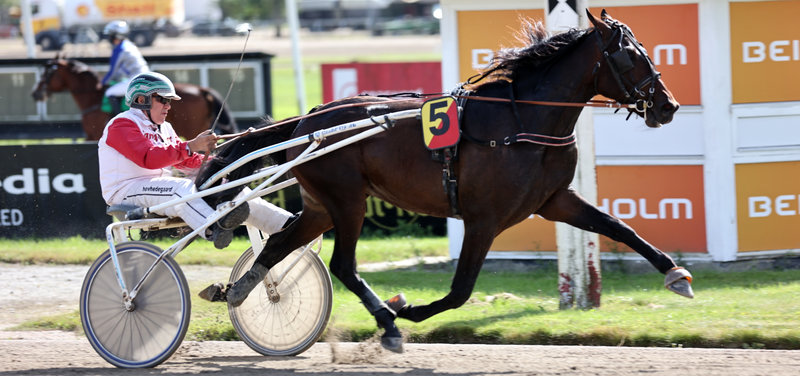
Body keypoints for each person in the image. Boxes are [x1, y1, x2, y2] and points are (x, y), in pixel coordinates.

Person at [98, 71, 292, 249]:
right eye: (163, 100)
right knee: (181, 189)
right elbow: (149, 159)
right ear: (141, 99)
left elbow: (182, 161)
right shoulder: (122, 124)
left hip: (154, 188)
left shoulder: (164, 127)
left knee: (227, 184)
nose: (168, 106)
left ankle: (286, 225)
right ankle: (214, 228)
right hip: (124, 190)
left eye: (170, 101)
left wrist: (219, 165)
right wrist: (191, 145)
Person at [99, 20, 149, 115]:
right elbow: (121, 71)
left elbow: (112, 72)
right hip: (143, 77)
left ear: (115, 36)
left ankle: (120, 119)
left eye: (110, 35)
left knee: (109, 92)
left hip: (136, 79)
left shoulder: (119, 49)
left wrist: (102, 82)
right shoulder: (128, 44)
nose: (109, 38)